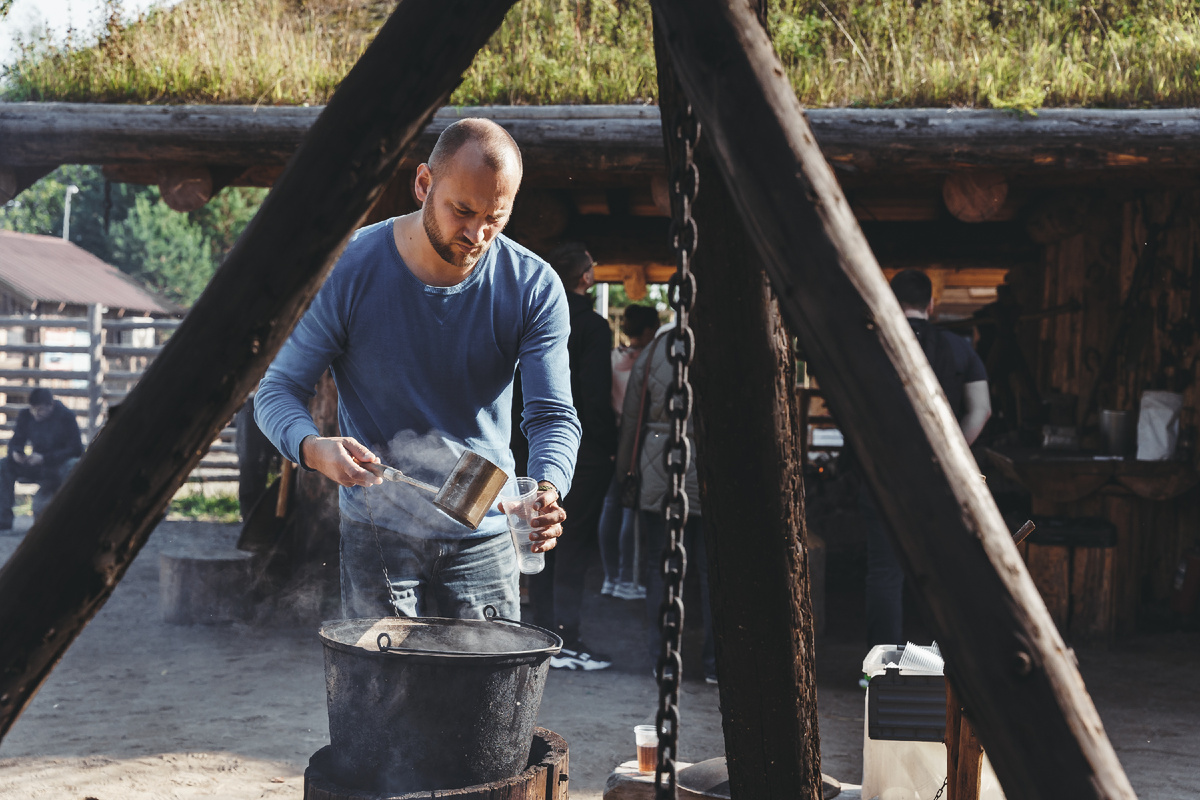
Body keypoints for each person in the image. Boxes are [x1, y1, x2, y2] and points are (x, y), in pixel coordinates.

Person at [254, 118, 581, 622]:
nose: (477, 235)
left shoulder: (533, 287)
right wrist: (313, 449)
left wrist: (545, 488)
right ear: (424, 183)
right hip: (377, 532)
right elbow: (276, 390)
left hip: (488, 531)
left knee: (487, 699)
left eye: (496, 216)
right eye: (462, 211)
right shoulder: (348, 270)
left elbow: (553, 416)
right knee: (382, 699)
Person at [861, 269, 991, 653]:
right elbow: (980, 410)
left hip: (883, 474)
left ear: (889, 300)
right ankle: (949, 666)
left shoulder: (872, 344)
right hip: (940, 479)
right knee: (944, 571)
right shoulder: (958, 347)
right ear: (931, 305)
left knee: (885, 573)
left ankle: (879, 667)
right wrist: (953, 455)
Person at [528, 242, 617, 670]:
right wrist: (609, 446)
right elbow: (596, 399)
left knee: (538, 540)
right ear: (585, 278)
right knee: (572, 543)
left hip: (530, 447)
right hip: (579, 452)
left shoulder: (531, 316)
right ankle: (566, 637)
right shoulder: (593, 328)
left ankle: (542, 630)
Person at [615, 328, 717, 684]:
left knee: (662, 567)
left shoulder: (656, 347)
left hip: (658, 465)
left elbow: (632, 416)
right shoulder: (723, 342)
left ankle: (662, 659)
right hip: (710, 464)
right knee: (713, 571)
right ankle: (715, 664)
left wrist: (624, 473)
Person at [598, 304, 660, 600]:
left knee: (610, 506)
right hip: (635, 438)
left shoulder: (613, 358)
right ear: (649, 330)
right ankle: (627, 580)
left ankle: (610, 578)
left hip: (611, 436)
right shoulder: (648, 361)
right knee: (629, 510)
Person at [0, 388, 83, 530]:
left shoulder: (66, 416)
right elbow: (16, 441)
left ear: (51, 405)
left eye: (40, 410)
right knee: (3, 465)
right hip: (36, 464)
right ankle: (3, 520)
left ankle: (70, 518)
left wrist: (46, 459)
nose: (35, 414)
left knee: (73, 466)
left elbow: (76, 449)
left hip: (58, 465)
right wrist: (16, 453)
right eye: (33, 409)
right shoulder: (26, 415)